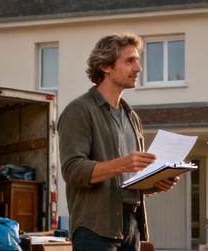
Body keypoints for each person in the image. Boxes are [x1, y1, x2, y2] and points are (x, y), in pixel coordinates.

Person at [59, 33, 179, 251]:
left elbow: (130, 178)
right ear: (106, 66)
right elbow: (73, 170)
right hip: (94, 229)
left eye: (137, 60)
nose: (138, 68)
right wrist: (122, 164)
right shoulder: (79, 111)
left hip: (131, 226)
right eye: (129, 60)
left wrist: (156, 182)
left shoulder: (131, 117)